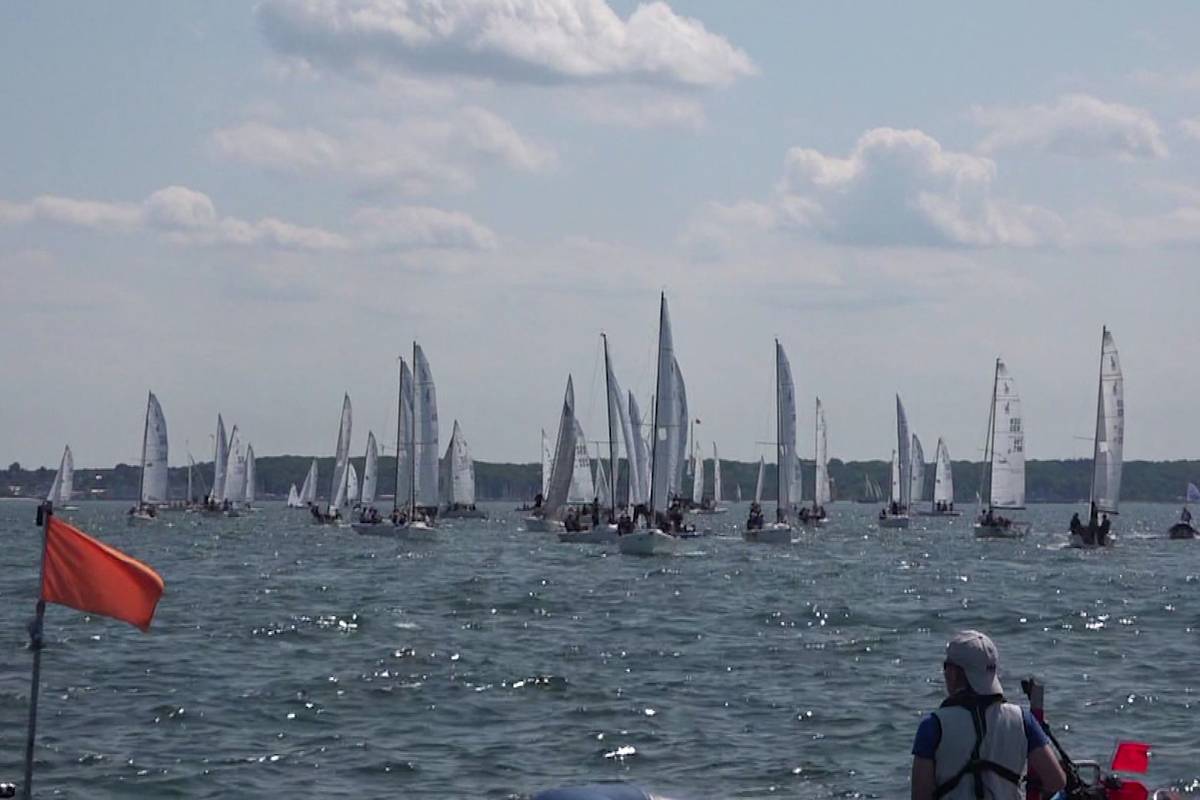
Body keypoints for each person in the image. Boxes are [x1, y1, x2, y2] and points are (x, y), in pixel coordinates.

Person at [911, 630, 1065, 800]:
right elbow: (1056, 781)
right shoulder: (1023, 720)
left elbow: (920, 795)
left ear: (954, 674)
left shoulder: (933, 726)